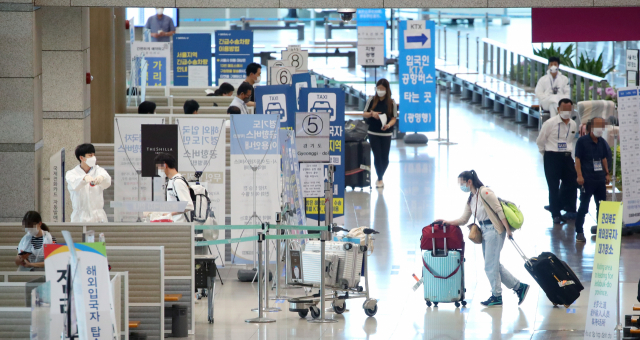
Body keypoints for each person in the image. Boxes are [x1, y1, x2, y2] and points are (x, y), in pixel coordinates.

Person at [438, 170, 530, 307]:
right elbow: (463, 219)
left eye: (462, 183)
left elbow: (499, 210)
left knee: (489, 266)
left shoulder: (485, 192)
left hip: (495, 230)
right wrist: (447, 221)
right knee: (494, 264)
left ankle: (497, 296)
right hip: (485, 231)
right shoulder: (471, 198)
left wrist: (509, 231)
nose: (461, 186)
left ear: (469, 182)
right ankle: (519, 287)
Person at [536, 98, 578, 224]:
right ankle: (556, 214)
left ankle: (570, 209)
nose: (566, 111)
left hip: (566, 156)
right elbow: (540, 141)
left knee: (571, 183)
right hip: (552, 157)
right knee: (553, 186)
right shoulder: (550, 123)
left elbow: (570, 140)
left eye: (568, 109)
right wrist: (546, 154)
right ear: (558, 109)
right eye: (563, 109)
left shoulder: (573, 124)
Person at [574, 117, 612, 242]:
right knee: (584, 207)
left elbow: (604, 159)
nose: (600, 129)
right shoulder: (582, 141)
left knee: (601, 206)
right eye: (598, 126)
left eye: (602, 126)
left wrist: (607, 173)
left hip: (600, 179)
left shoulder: (602, 142)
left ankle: (601, 229)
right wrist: (579, 175)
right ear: (590, 127)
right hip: (587, 179)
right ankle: (579, 231)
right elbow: (578, 159)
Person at [362, 79, 397, 188]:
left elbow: (393, 118)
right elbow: (364, 113)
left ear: (387, 89)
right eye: (378, 89)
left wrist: (388, 125)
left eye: (382, 89)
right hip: (373, 132)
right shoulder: (371, 100)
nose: (380, 91)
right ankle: (380, 179)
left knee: (385, 158)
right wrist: (372, 114)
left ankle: (380, 175)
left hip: (386, 133)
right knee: (377, 155)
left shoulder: (392, 102)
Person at [66, 143, 112, 223]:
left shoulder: (98, 170)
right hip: (80, 217)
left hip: (98, 215)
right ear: (81, 158)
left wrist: (102, 178)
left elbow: (107, 181)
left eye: (94, 155)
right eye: (90, 155)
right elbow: (74, 185)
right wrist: (84, 178)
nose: (93, 158)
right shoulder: (72, 173)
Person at [155, 153, 193, 222]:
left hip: (181, 226)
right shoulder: (171, 181)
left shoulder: (178, 182)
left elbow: (188, 205)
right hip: (174, 224)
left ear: (164, 165)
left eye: (158, 167)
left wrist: (169, 214)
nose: (158, 170)